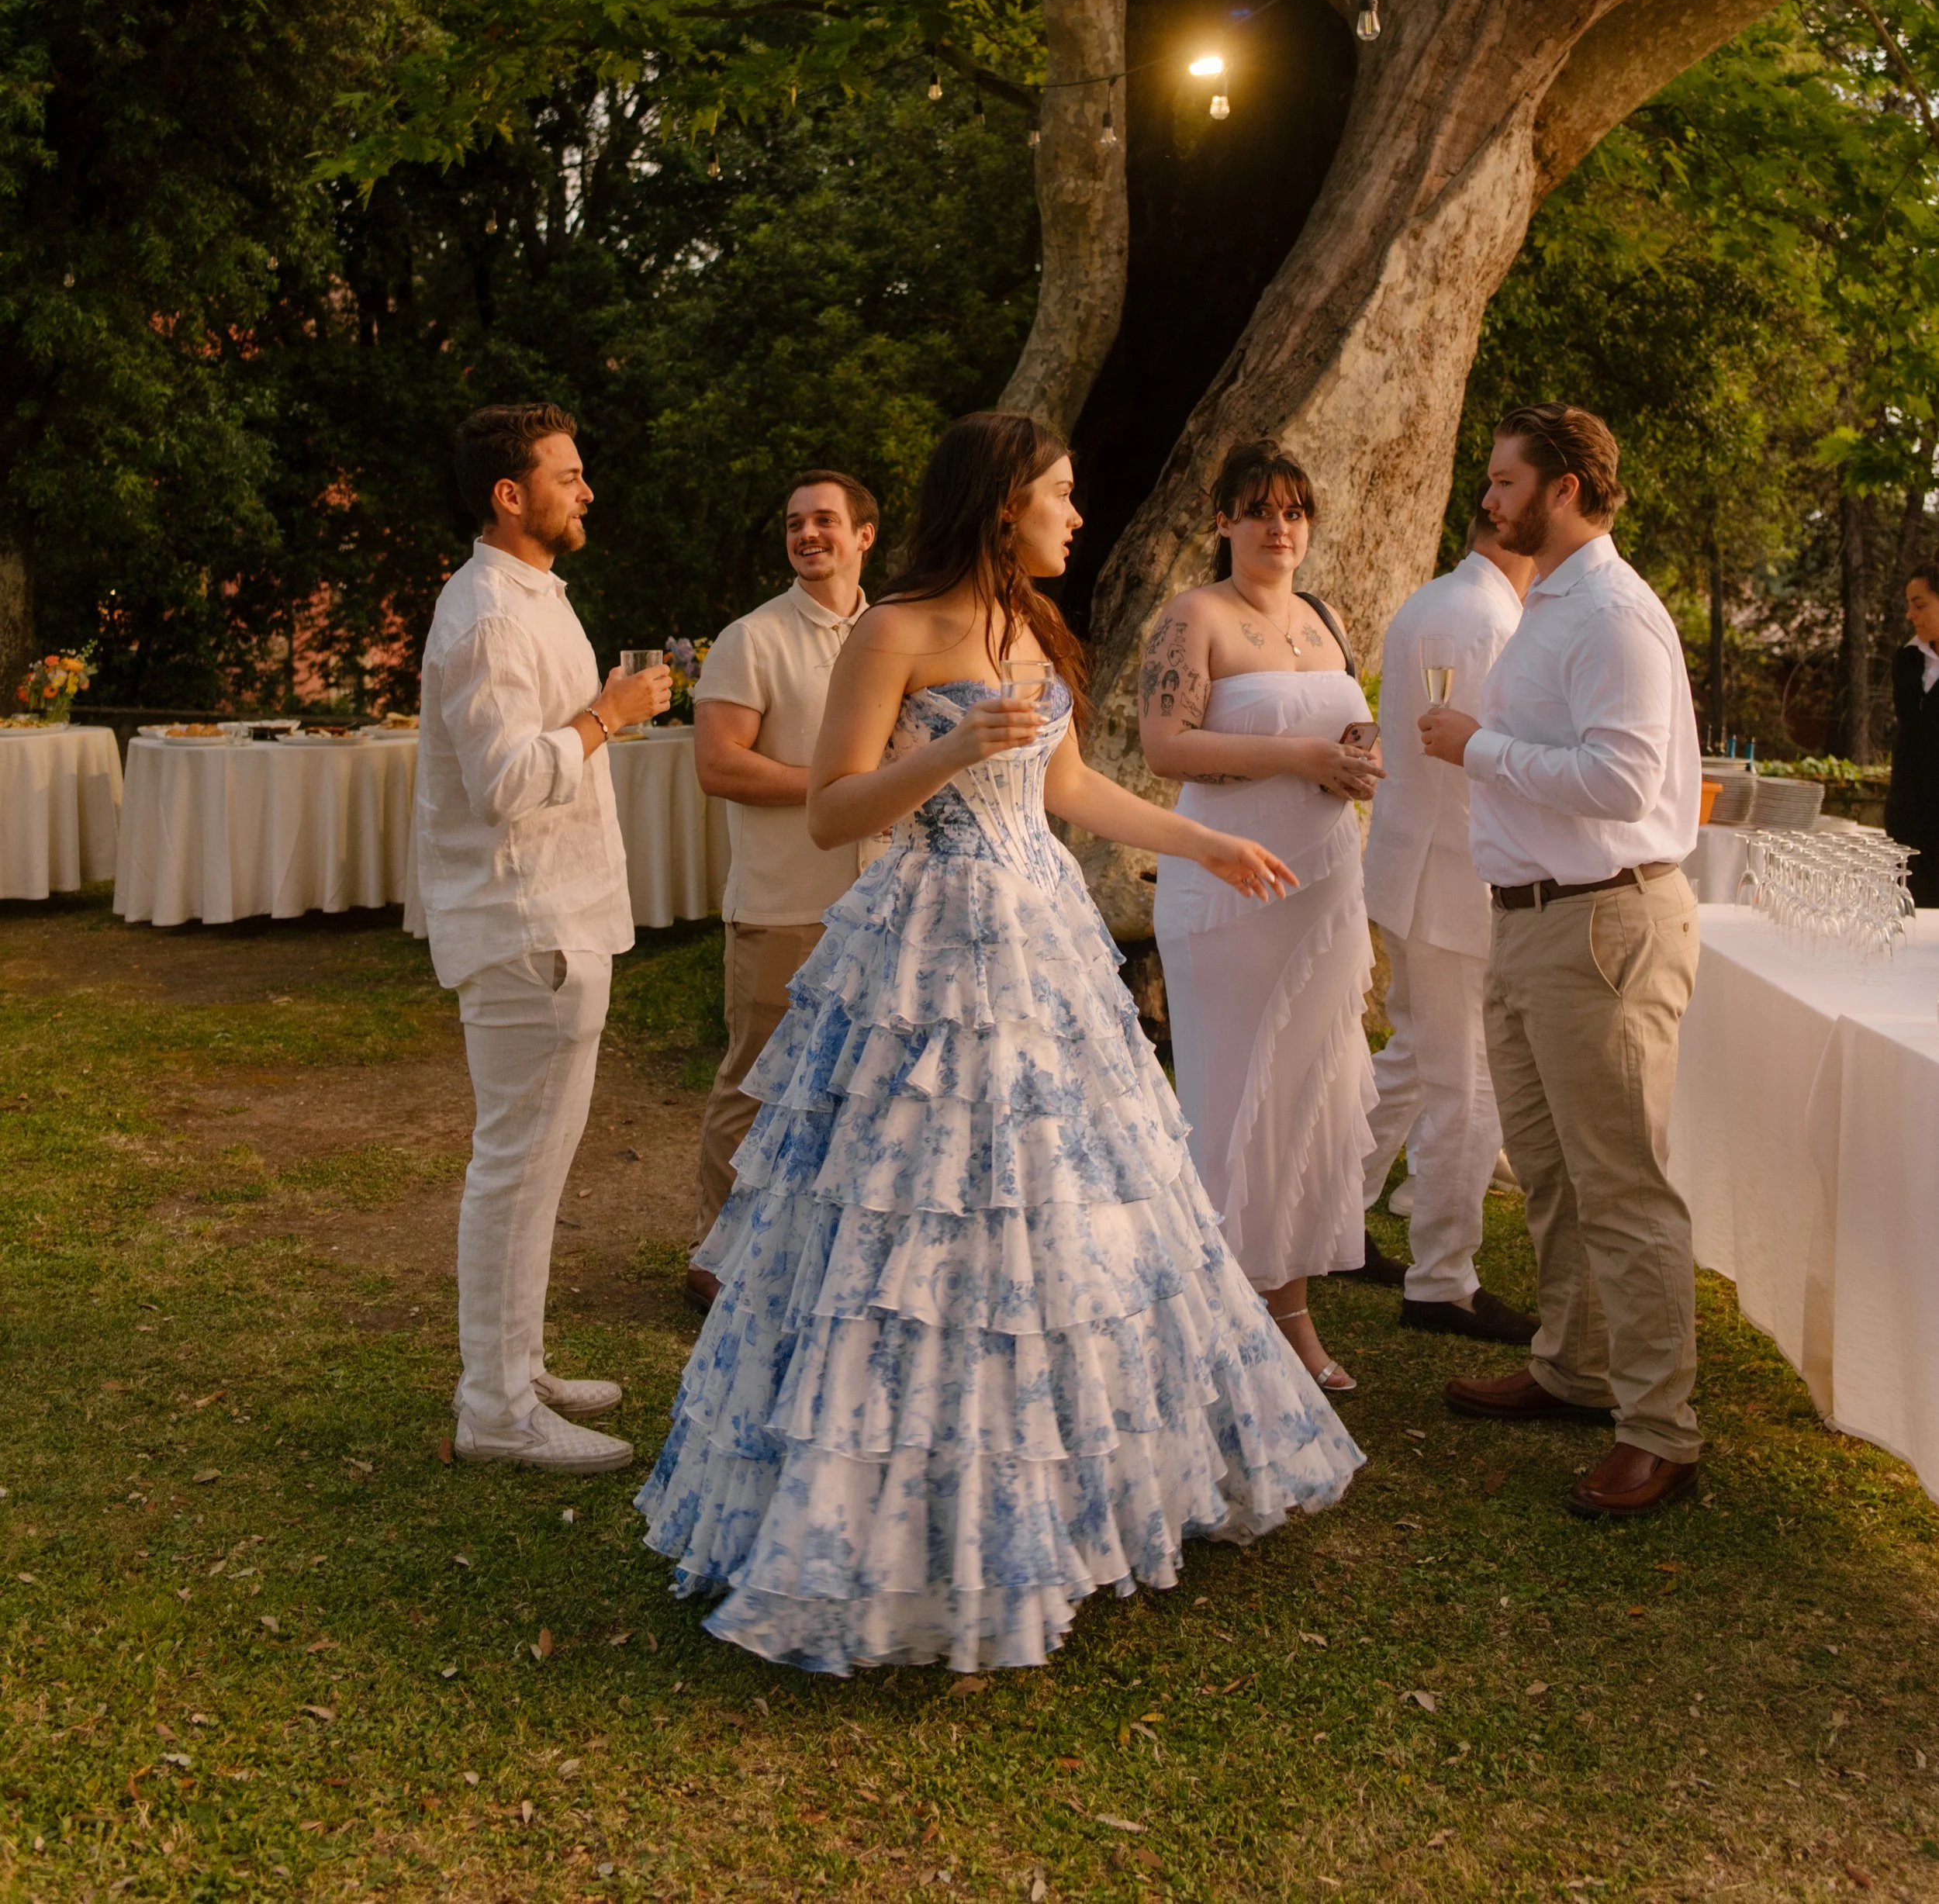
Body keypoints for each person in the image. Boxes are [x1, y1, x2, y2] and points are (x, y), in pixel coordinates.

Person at [637, 411, 1363, 1674]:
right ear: (1002, 500)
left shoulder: (1031, 624)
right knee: (913, 1213)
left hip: (1044, 942)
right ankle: (888, 1521)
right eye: (1060, 493)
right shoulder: (895, 629)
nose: (1076, 513)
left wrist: (1204, 838)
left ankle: (1078, 1492)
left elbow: (1069, 788)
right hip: (930, 943)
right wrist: (952, 752)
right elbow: (832, 811)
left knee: (1071, 1200)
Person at [1419, 403, 1703, 1520]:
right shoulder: (1551, 601)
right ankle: (1574, 1367)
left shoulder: (1616, 616)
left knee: (1621, 1185)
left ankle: (1660, 1429)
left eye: (1503, 481)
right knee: (1549, 1170)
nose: (1488, 498)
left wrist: (1478, 747)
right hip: (1533, 919)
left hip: (1602, 923)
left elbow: (1622, 783)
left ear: (1565, 489)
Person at [414, 404, 672, 1474]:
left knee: (537, 1167)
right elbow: (506, 783)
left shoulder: (533, 597)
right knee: (515, 1170)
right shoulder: (486, 615)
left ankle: (517, 1366)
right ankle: (495, 1408)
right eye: (568, 476)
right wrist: (611, 714)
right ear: (509, 494)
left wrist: (605, 713)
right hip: (526, 925)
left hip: (559, 913)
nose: (587, 490)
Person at [1139, 440, 1380, 1398]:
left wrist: (1356, 753)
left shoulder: (1325, 619)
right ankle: (1212, 1319)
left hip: (1324, 888)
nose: (1279, 528)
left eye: (1293, 512)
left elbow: (1340, 731)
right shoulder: (1193, 617)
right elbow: (1165, 747)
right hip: (1229, 895)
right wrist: (1302, 758)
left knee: (1306, 1100)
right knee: (1232, 1096)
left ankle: (1288, 1315)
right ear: (1223, 522)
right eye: (1260, 511)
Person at [688, 469, 881, 1302]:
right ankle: (717, 1260)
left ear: (864, 535)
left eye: (824, 520)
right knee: (756, 1083)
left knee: (858, 1087)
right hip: (784, 903)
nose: (807, 534)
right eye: (795, 522)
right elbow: (718, 765)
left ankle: (820, 1253)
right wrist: (835, 791)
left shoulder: (896, 634)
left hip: (882, 903)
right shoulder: (751, 639)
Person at [1357, 504, 1538, 1343]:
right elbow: (1472, 765)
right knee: (1470, 1079)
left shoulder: (1442, 600)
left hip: (1419, 866)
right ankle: (1441, 1280)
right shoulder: (1484, 619)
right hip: (1453, 877)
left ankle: (1336, 1210)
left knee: (1415, 1058)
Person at [1885, 564, 1939, 908]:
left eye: (1920, 605)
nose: (1910, 615)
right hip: (1908, 828)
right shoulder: (1907, 659)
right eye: (1908, 605)